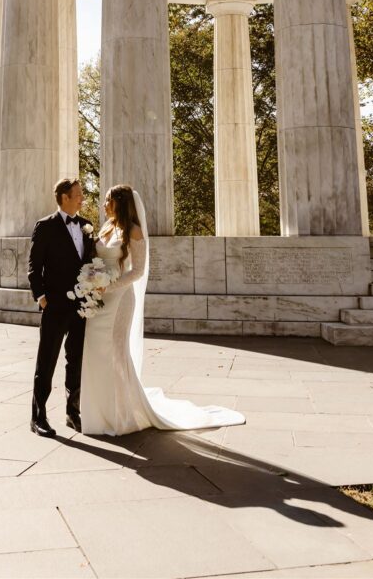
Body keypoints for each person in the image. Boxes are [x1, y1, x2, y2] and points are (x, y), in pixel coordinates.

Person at [80, 184, 246, 436]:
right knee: (95, 351)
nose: (103, 205)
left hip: (120, 299)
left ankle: (121, 414)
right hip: (99, 300)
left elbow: (137, 270)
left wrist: (109, 286)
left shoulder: (134, 231)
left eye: (108, 201)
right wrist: (92, 279)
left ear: (120, 203)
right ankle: (98, 413)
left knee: (116, 352)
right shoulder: (105, 228)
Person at [28, 178, 95, 437]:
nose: (82, 198)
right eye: (78, 194)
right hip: (54, 305)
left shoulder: (87, 225)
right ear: (65, 197)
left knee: (75, 361)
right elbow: (34, 266)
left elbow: (90, 263)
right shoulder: (45, 226)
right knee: (46, 362)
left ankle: (72, 413)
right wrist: (41, 298)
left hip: (81, 307)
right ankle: (38, 417)